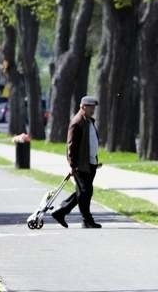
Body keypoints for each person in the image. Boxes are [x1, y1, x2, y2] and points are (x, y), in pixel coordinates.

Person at [51, 95, 102, 229]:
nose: (93, 109)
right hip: (81, 164)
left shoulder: (89, 121)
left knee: (83, 192)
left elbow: (90, 142)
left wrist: (95, 160)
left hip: (90, 163)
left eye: (94, 107)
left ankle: (60, 212)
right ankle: (87, 220)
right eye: (90, 107)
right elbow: (71, 146)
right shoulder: (77, 122)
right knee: (85, 192)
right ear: (83, 107)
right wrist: (72, 165)